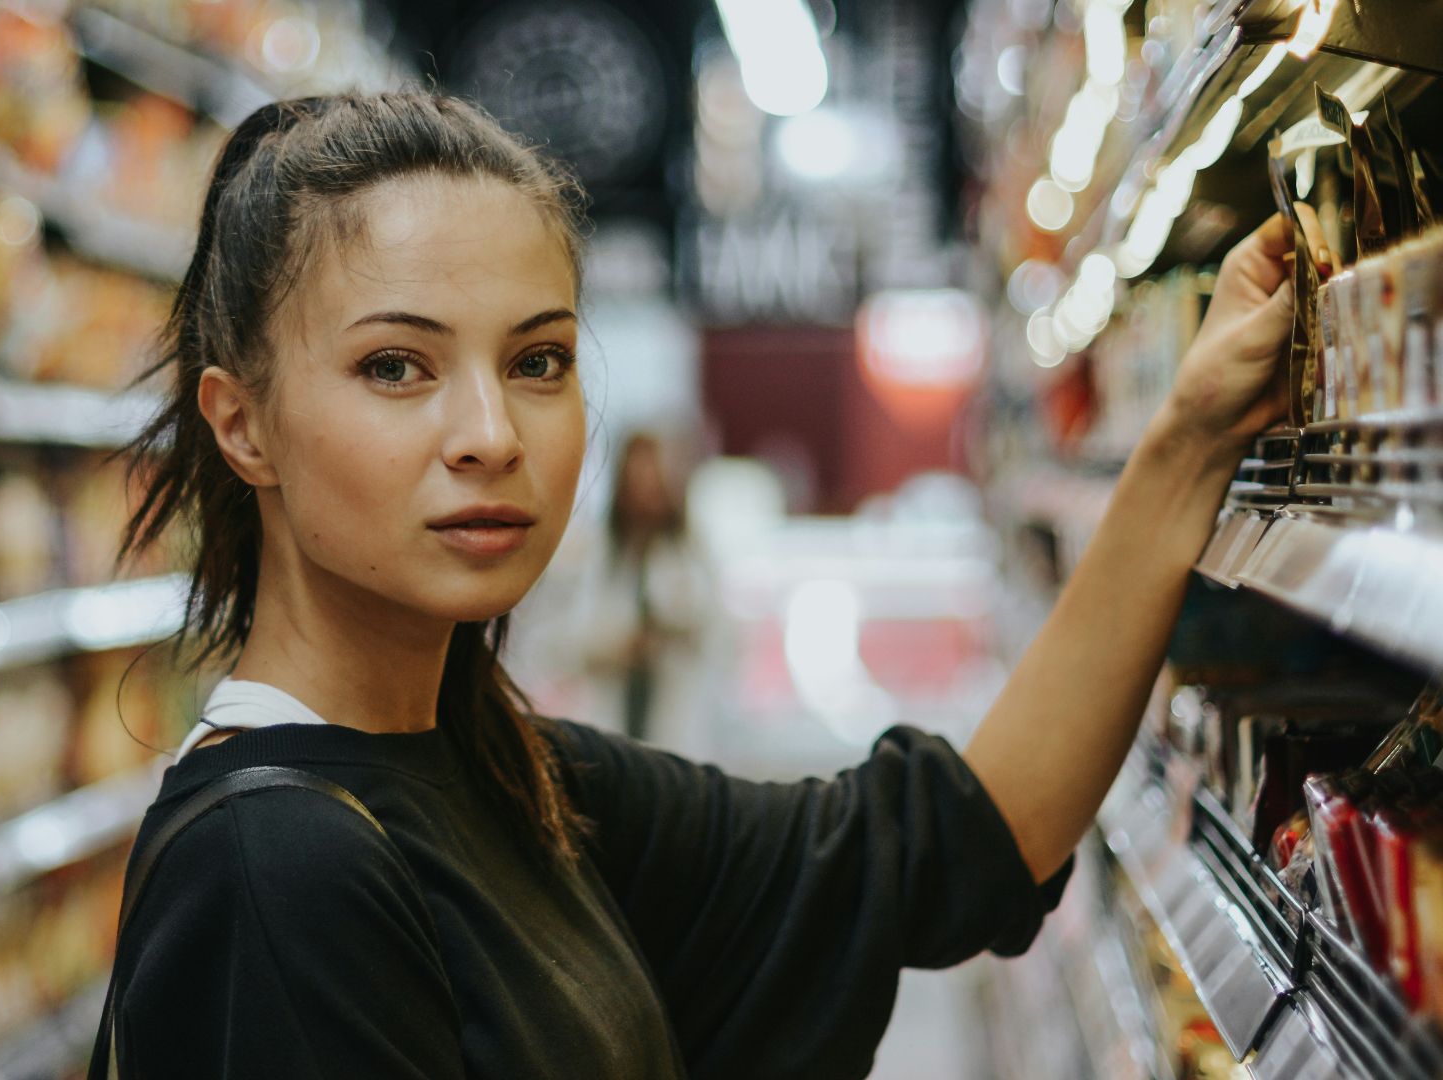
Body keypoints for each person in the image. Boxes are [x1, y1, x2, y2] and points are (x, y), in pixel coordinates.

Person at [107, 91, 1322, 1079]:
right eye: (394, 365)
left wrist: (1194, 438)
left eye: (538, 360)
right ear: (243, 423)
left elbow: (943, 849)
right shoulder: (274, 873)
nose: (489, 432)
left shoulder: (512, 776)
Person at [564, 430, 724, 755]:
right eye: (637, 479)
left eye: (654, 479)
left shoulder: (690, 551)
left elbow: (719, 634)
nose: (646, 492)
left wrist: (672, 630)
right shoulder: (601, 553)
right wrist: (616, 645)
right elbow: (565, 641)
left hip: (677, 717)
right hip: (613, 716)